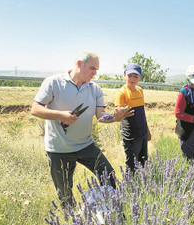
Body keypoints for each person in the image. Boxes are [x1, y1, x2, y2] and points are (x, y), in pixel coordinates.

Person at [31, 51, 129, 208]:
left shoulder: (95, 89)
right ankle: (71, 218)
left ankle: (108, 212)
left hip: (86, 145)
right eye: (92, 68)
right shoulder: (53, 82)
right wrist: (60, 115)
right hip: (59, 149)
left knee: (109, 177)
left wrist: (115, 118)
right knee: (65, 194)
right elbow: (35, 109)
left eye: (96, 69)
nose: (94, 73)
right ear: (78, 64)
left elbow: (100, 116)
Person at [114, 63, 151, 172]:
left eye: (136, 76)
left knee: (143, 161)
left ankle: (142, 185)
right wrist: (119, 112)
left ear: (140, 77)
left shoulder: (140, 90)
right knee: (131, 165)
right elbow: (118, 112)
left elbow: (142, 113)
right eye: (130, 75)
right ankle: (128, 187)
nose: (132, 79)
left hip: (143, 133)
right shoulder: (121, 93)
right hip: (131, 136)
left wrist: (147, 131)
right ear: (125, 75)